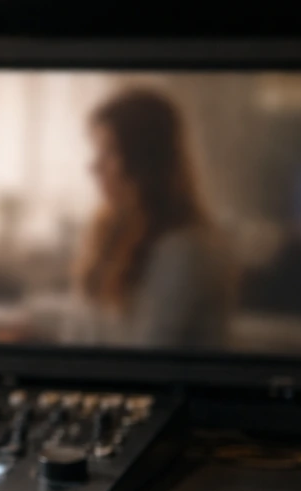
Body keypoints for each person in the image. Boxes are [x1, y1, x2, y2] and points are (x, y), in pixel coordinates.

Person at [68, 87, 232, 350]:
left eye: (108, 152)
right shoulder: (111, 231)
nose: (94, 166)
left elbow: (147, 356)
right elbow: (83, 328)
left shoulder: (185, 250)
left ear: (142, 161)